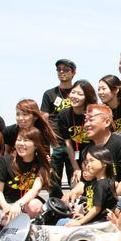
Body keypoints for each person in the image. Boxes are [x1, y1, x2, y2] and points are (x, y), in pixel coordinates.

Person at [0, 127, 52, 229]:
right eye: (19, 140)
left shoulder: (41, 163)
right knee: (9, 220)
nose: (21, 144)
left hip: (25, 204)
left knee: (35, 205)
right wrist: (6, 207)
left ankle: (29, 227)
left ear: (36, 145)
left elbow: (35, 189)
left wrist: (18, 205)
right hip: (5, 205)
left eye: (26, 140)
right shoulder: (5, 160)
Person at [41, 59, 76, 198]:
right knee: (53, 179)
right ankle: (55, 203)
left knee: (75, 177)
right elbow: (44, 118)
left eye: (66, 69)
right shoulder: (49, 94)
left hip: (74, 141)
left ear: (73, 73)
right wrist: (48, 139)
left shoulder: (78, 92)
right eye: (59, 69)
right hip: (55, 141)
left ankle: (74, 202)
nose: (62, 72)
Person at [58, 146, 117, 227]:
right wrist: (84, 216)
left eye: (92, 161)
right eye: (87, 162)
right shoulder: (96, 182)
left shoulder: (102, 184)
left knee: (62, 222)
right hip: (95, 220)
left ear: (104, 163)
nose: (88, 165)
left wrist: (80, 222)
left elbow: (96, 209)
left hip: (100, 223)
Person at [82, 104, 121, 185]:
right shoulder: (87, 150)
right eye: (86, 121)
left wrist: (110, 192)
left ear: (107, 122)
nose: (86, 124)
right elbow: (84, 181)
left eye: (91, 120)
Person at [57, 80, 97, 187]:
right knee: (75, 184)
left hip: (92, 155)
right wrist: (76, 168)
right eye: (73, 92)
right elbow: (68, 143)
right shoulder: (64, 114)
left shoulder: (93, 113)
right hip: (74, 156)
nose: (75, 96)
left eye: (80, 94)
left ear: (87, 97)